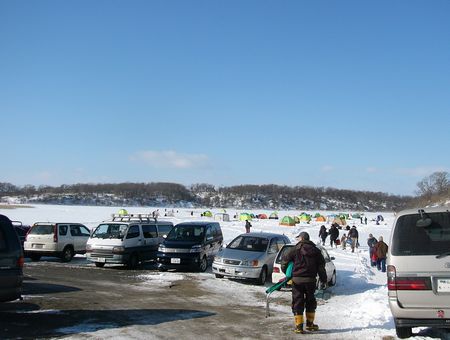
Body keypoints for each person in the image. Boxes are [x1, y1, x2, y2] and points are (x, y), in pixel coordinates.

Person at [281, 231, 327, 334]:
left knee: (298, 301)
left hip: (297, 280)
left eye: (299, 238)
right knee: (310, 301)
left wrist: (288, 274)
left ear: (301, 238)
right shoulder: (316, 251)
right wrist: (323, 280)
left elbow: (284, 262)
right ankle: (310, 325)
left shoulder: (294, 249)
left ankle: (299, 326)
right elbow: (321, 267)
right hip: (310, 280)